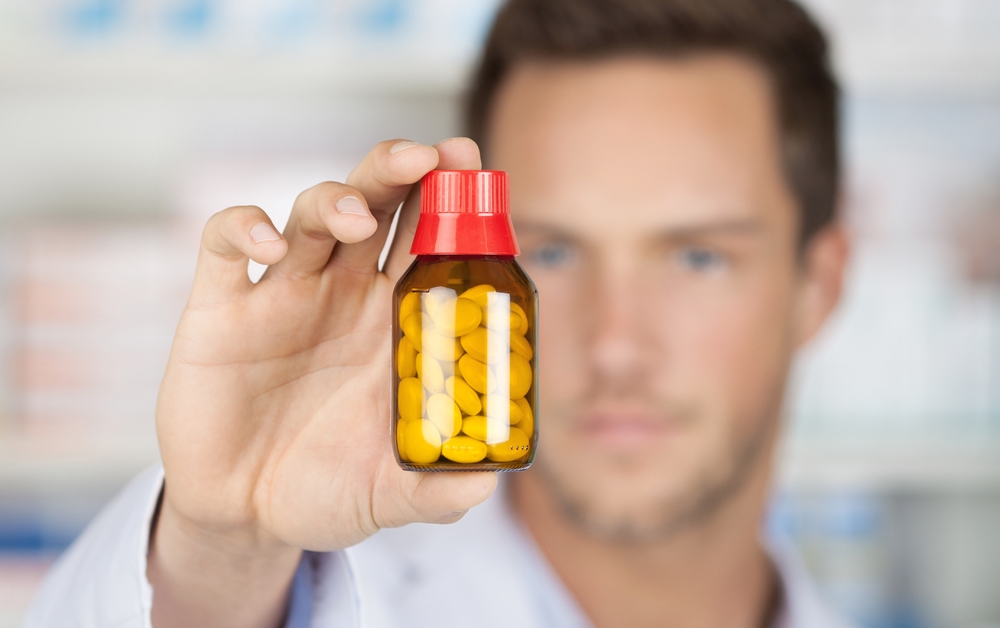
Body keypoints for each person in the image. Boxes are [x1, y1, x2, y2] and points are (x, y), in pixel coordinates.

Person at [25, 0, 852, 626]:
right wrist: (222, 549)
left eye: (698, 257)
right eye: (553, 254)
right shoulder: (306, 595)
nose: (615, 346)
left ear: (820, 283)